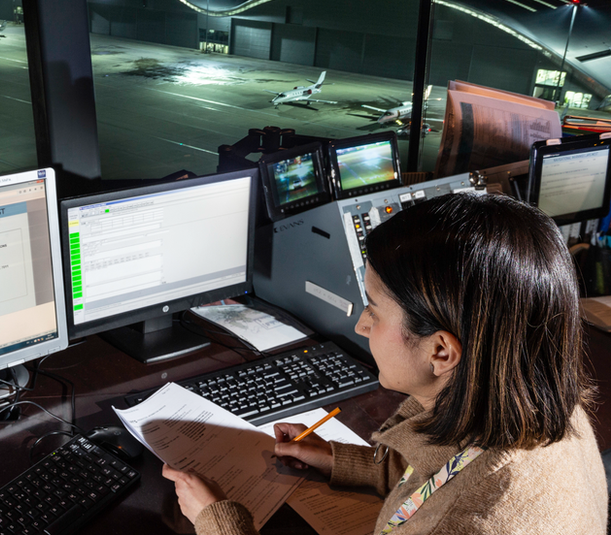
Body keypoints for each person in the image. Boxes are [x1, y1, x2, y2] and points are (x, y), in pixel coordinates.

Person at [163, 193, 608, 534]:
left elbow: (453, 496)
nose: (361, 325)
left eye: (374, 309)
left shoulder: (470, 521)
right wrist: (339, 460)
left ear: (440, 352)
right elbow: (446, 472)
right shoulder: (537, 404)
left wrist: (217, 520)